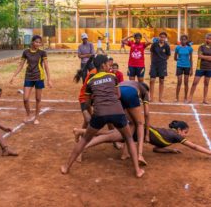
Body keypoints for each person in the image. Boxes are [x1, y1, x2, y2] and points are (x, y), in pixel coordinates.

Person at [61, 55, 144, 178]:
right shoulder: (112, 77)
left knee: (84, 140)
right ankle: (137, 171)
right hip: (117, 111)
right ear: (103, 65)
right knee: (129, 138)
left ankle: (66, 167)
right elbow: (118, 95)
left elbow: (88, 102)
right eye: (108, 64)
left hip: (100, 113)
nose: (110, 66)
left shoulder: (90, 81)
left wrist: (96, 105)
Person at [73, 121, 211, 158]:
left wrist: (171, 150)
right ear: (179, 130)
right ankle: (81, 144)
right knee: (107, 137)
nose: (185, 135)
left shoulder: (171, 137)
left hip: (135, 133)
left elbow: (156, 148)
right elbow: (194, 147)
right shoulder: (175, 136)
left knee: (108, 135)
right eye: (185, 132)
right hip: (134, 130)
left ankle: (80, 131)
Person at [10, 35, 52, 124]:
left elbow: (46, 66)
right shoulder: (26, 52)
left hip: (39, 77)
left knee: (38, 99)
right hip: (28, 76)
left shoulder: (42, 52)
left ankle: (37, 117)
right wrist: (14, 76)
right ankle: (28, 114)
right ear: (32, 42)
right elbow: (21, 65)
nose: (37, 44)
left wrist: (49, 79)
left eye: (39, 42)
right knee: (25, 99)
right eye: (36, 42)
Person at [119, 80, 150, 165]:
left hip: (117, 92)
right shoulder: (145, 90)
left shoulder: (132, 83)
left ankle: (125, 153)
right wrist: (147, 134)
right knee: (139, 124)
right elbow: (146, 114)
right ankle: (140, 155)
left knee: (131, 123)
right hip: (129, 92)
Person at [188, 33, 211, 104]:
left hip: (209, 68)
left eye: (210, 39)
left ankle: (204, 99)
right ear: (205, 39)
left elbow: (202, 56)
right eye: (207, 38)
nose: (208, 40)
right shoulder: (201, 47)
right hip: (200, 67)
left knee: (206, 83)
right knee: (195, 82)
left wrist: (204, 56)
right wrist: (208, 57)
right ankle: (190, 98)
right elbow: (200, 56)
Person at [149, 32, 171, 102]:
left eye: (164, 37)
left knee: (161, 81)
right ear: (159, 37)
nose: (162, 38)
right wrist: (153, 61)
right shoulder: (154, 45)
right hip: (154, 64)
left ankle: (160, 98)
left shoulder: (167, 46)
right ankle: (151, 97)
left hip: (162, 65)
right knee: (152, 80)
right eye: (161, 37)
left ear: (165, 38)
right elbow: (151, 53)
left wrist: (162, 60)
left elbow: (168, 56)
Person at [174, 35, 193, 103]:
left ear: (187, 40)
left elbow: (191, 59)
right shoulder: (177, 48)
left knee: (186, 82)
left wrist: (191, 69)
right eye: (182, 39)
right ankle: (176, 97)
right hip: (179, 66)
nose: (183, 41)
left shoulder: (189, 48)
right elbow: (175, 58)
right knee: (179, 81)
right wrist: (180, 60)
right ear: (180, 40)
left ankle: (185, 97)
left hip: (187, 66)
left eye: (185, 39)